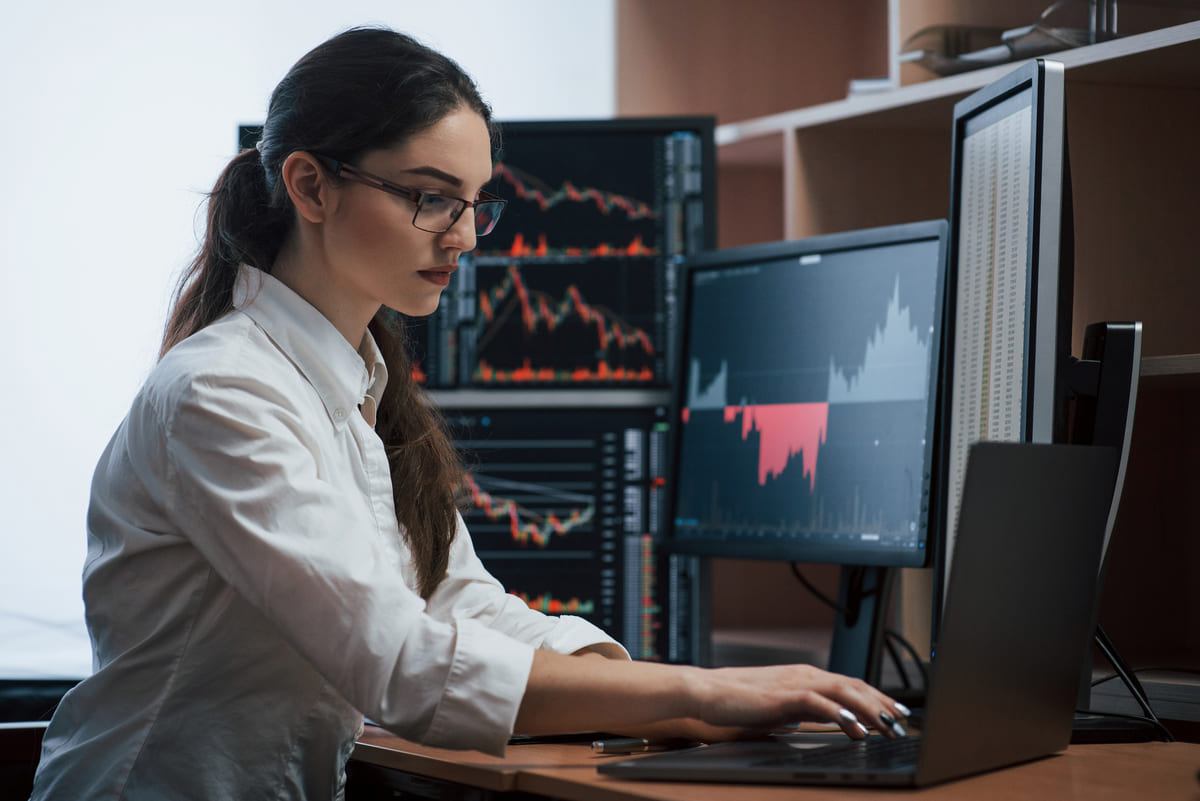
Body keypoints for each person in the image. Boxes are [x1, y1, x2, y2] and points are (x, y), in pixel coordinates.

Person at [29, 26, 909, 800]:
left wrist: (656, 689)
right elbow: (401, 662)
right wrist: (696, 693)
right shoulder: (223, 394)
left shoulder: (357, 386)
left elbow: (462, 604)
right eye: (429, 197)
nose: (463, 236)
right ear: (310, 184)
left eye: (474, 203)